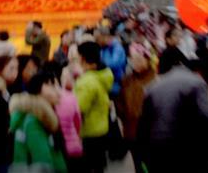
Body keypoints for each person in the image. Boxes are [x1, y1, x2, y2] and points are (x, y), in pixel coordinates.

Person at [138, 47, 208, 173]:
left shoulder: (152, 86)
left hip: (158, 151)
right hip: (187, 151)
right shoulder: (196, 82)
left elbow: (144, 123)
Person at [9, 70, 67, 173]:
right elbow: (42, 163)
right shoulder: (34, 121)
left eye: (58, 86)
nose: (58, 91)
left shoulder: (45, 116)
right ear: (39, 88)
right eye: (52, 85)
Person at [73, 42, 113, 173]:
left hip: (89, 132)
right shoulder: (104, 74)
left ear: (82, 58)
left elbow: (79, 108)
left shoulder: (87, 81)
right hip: (102, 127)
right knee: (99, 166)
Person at [118, 46, 155, 173]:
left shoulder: (155, 80)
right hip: (131, 131)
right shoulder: (127, 80)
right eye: (134, 60)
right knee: (137, 163)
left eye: (140, 60)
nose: (136, 63)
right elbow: (120, 101)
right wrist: (123, 115)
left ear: (147, 60)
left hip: (150, 133)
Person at [55, 67, 83, 171]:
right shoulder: (73, 97)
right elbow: (78, 122)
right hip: (74, 146)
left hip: (59, 148)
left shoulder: (55, 96)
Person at [96, 28, 126, 97]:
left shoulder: (117, 48)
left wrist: (98, 65)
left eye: (98, 38)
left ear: (105, 37)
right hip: (106, 82)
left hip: (115, 84)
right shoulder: (103, 48)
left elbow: (114, 64)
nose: (97, 41)